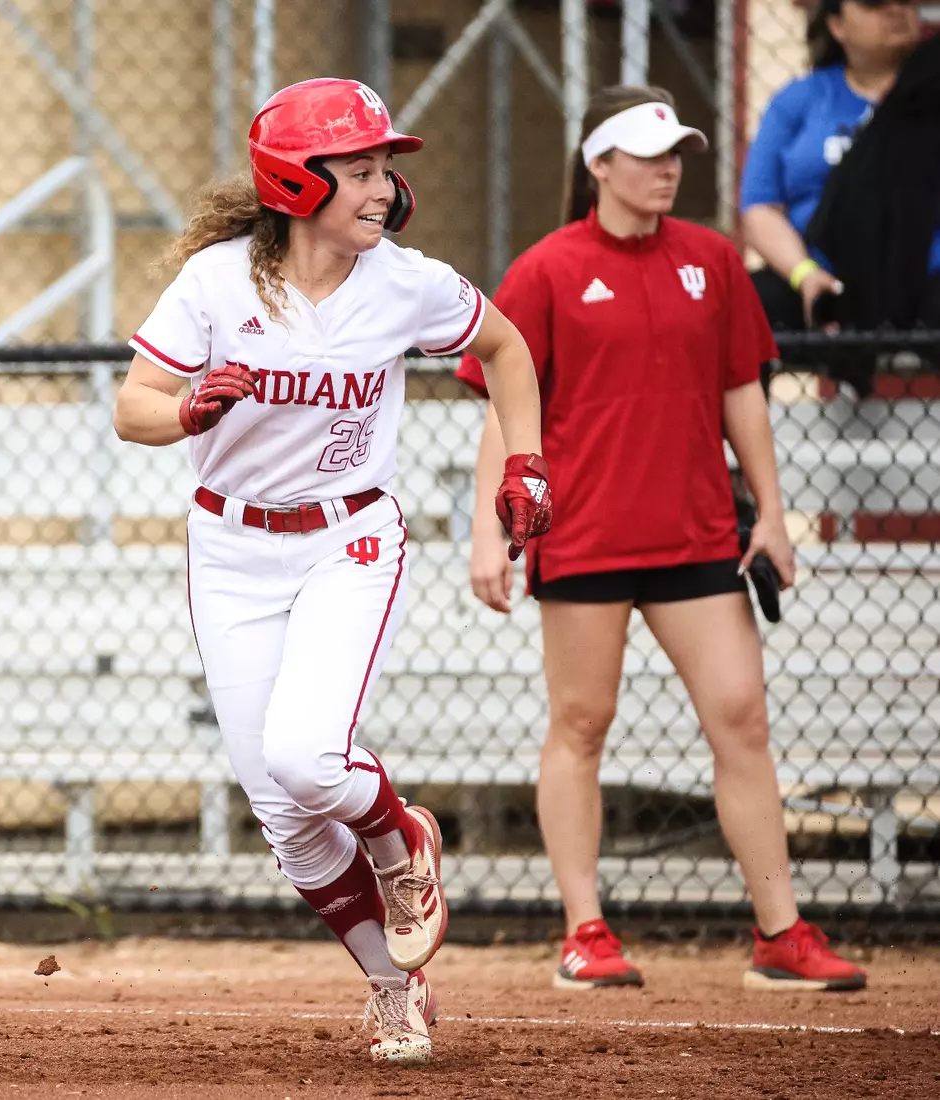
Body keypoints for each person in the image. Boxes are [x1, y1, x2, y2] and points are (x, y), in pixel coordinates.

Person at [114, 77, 551, 1062]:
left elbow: (505, 345)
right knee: (282, 808)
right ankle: (397, 988)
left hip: (347, 535)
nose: (381, 187)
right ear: (294, 182)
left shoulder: (404, 280)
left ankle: (402, 838)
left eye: (383, 167)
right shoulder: (220, 281)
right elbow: (132, 404)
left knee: (310, 757)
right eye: (357, 169)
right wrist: (187, 410)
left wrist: (525, 460)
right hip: (230, 548)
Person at [459, 86, 867, 993]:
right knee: (581, 725)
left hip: (693, 536)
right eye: (646, 154)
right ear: (599, 166)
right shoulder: (547, 268)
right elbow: (504, 411)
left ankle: (779, 933)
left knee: (742, 720)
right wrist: (492, 532)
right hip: (586, 537)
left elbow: (741, 395)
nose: (668, 167)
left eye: (677, 151)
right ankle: (584, 931)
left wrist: (770, 511)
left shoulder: (714, 261)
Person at [740, 0, 924, 333]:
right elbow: (759, 208)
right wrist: (805, 274)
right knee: (747, 302)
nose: (896, 9)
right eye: (875, 3)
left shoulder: (931, 96)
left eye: (906, 0)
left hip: (924, 278)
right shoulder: (800, 99)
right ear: (837, 25)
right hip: (818, 273)